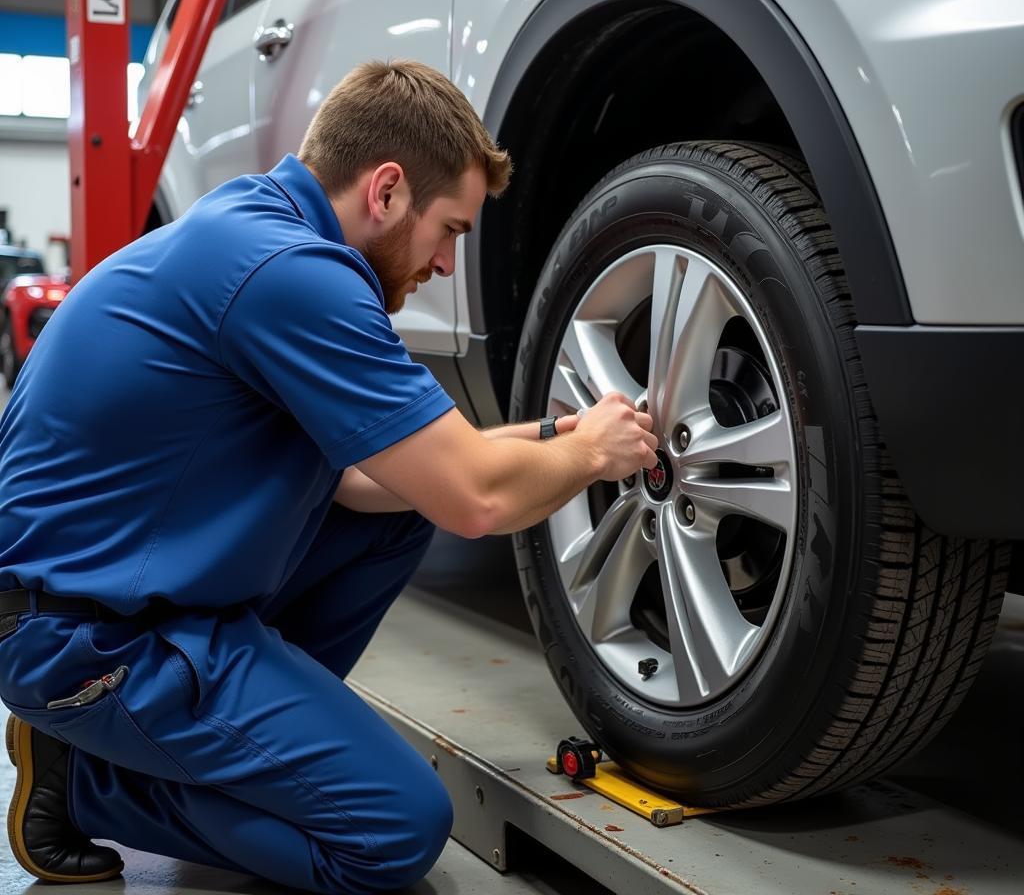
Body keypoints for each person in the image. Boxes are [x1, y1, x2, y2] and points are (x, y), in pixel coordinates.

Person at [0, 60, 658, 892]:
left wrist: (562, 432)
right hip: (83, 640)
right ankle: (91, 784)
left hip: (115, 599)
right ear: (386, 191)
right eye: (450, 230)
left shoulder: (255, 230)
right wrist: (594, 454)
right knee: (393, 832)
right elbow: (478, 498)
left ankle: (225, 740)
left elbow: (381, 480)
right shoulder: (292, 275)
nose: (448, 265)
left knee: (395, 512)